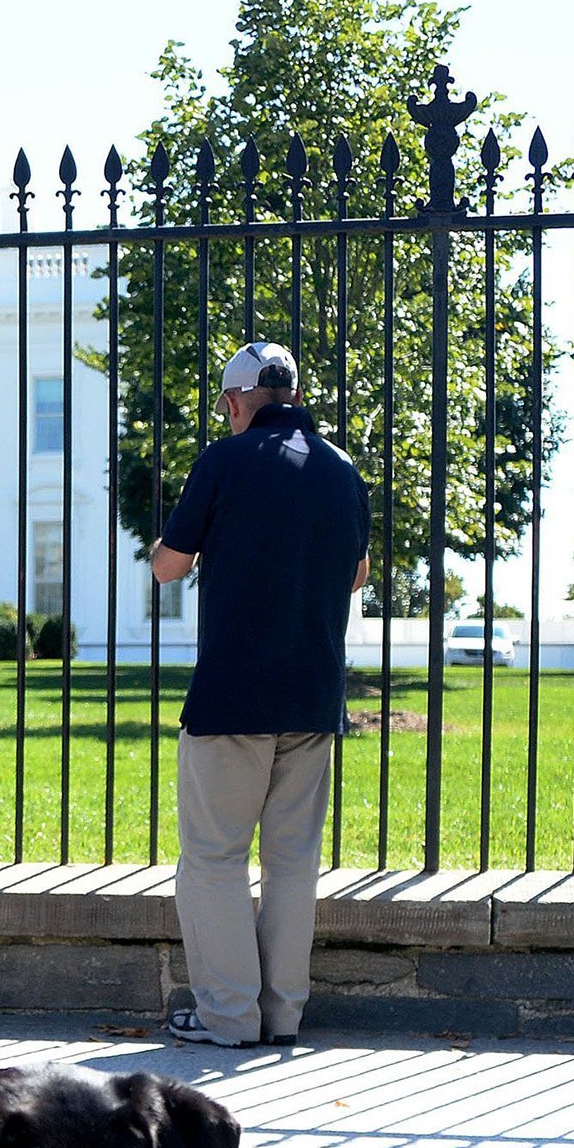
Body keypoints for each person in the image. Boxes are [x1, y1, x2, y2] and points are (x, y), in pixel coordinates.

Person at [148, 342, 370, 1049]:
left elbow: (169, 567)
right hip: (312, 696)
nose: (227, 413)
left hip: (231, 697)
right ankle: (281, 1015)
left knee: (213, 857)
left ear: (242, 399)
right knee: (292, 862)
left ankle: (229, 1016)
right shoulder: (343, 471)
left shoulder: (222, 460)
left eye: (227, 403)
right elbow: (357, 574)